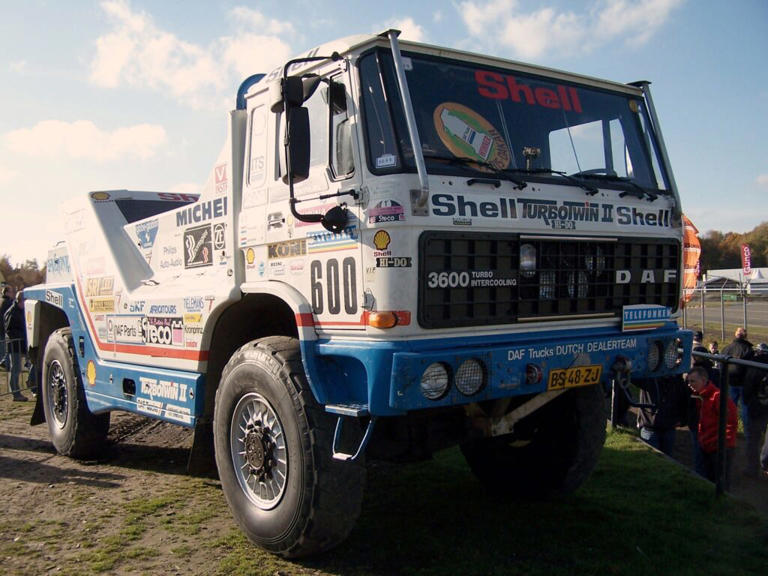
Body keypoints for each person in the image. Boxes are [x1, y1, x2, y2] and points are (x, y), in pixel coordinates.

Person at [686, 366, 738, 488]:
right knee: (709, 479)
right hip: (707, 445)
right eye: (688, 381)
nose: (690, 385)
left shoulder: (717, 397)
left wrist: (722, 444)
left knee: (720, 481)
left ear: (703, 380)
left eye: (693, 381)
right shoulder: (700, 396)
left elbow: (731, 422)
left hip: (719, 447)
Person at [635, 375, 689, 455]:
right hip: (650, 428)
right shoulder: (649, 378)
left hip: (668, 429)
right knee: (653, 458)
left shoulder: (678, 381)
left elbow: (684, 402)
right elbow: (632, 377)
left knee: (666, 459)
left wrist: (683, 420)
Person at [722, 327, 753, 439]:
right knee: (745, 409)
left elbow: (721, 364)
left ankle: (729, 430)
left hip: (730, 382)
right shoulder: (748, 349)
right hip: (743, 383)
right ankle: (747, 433)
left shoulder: (727, 348)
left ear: (735, 335)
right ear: (745, 336)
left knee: (731, 407)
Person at [743, 343, 768, 478]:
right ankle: (765, 466)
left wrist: (748, 403)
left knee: (753, 440)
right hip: (762, 406)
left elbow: (747, 390)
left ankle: (752, 468)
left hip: (756, 407)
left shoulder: (754, 367)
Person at [4, 290, 27, 401]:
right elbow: (9, 330)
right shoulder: (12, 312)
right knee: (15, 369)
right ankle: (15, 393)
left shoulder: (19, 311)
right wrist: (22, 335)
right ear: (19, 301)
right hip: (14, 345)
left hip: (19, 344)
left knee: (17, 368)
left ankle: (17, 391)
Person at [0, 284, 14, 369]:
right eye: (11, 292)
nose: (12, 293)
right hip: (4, 329)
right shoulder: (8, 303)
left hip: (1, 328)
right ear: (7, 292)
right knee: (4, 350)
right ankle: (4, 364)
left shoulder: (1, 301)